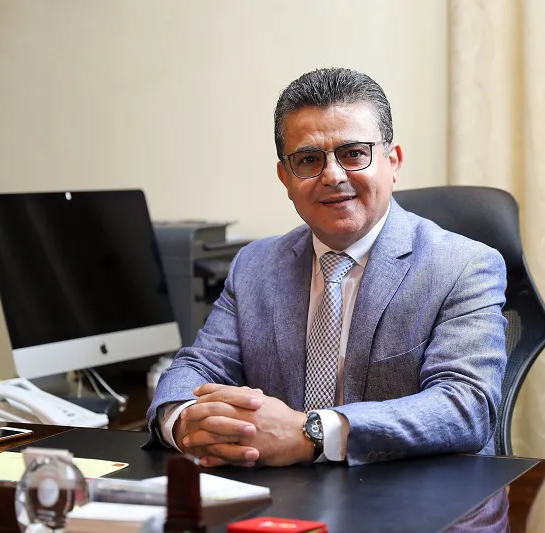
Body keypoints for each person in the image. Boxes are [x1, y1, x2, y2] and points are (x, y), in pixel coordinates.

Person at [146, 67, 507, 467]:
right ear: (285, 178)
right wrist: (185, 422)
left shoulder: (463, 265)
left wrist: (311, 433)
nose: (333, 176)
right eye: (308, 160)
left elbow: (466, 406)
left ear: (393, 162)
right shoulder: (254, 266)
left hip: (413, 492)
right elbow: (198, 367)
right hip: (282, 495)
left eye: (353, 153)